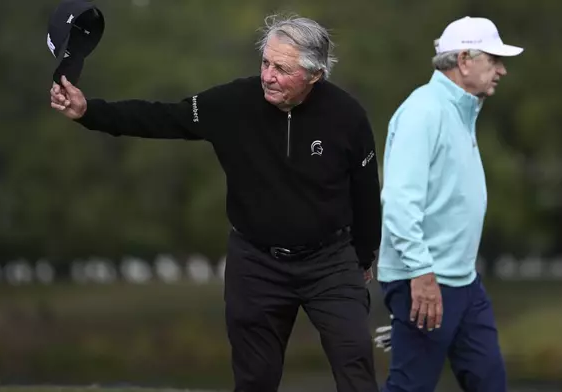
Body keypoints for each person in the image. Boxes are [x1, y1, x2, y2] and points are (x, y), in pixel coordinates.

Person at [50, 14, 382, 392]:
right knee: (255, 379)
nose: (268, 76)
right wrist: (89, 111)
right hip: (257, 264)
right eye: (265, 63)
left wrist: (364, 255)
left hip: (329, 262)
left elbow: (366, 190)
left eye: (282, 69)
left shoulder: (348, 116)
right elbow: (162, 117)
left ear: (315, 75)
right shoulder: (233, 103)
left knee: (355, 363)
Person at [374, 16, 524, 392]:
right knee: (411, 387)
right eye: (494, 60)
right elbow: (398, 201)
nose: (501, 70)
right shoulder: (423, 112)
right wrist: (421, 276)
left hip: (463, 281)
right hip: (425, 280)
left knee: (490, 382)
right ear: (464, 61)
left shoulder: (461, 111)